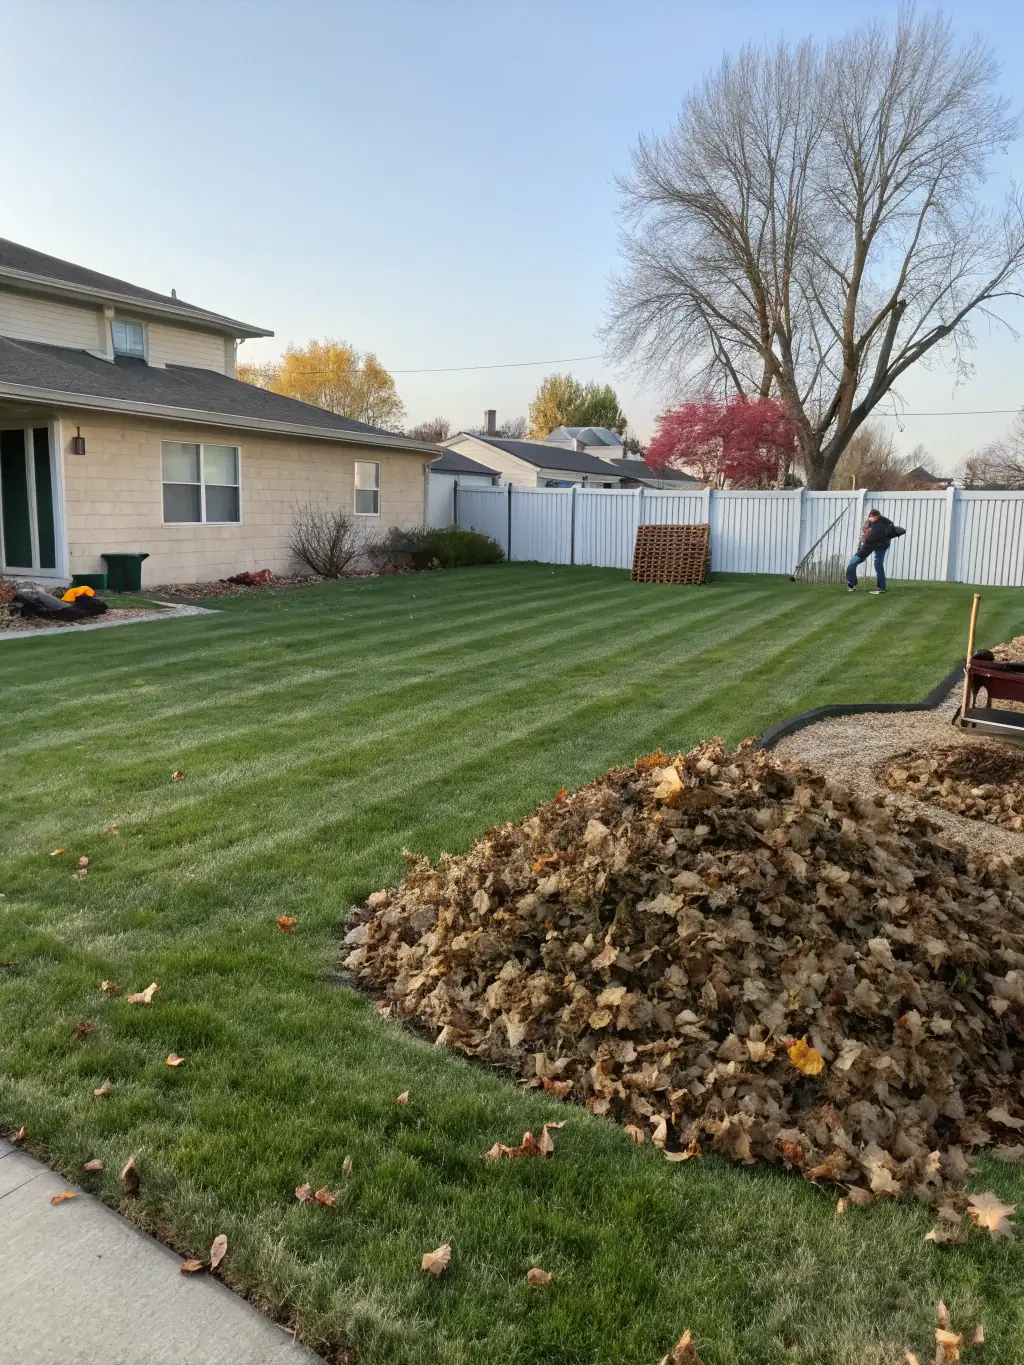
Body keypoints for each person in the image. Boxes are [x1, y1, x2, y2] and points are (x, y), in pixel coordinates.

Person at [846, 509, 905, 594]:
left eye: (873, 516)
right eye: (870, 516)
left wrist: (889, 536)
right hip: (869, 545)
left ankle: (881, 587)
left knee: (878, 563)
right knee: (853, 561)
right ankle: (851, 582)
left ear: (877, 516)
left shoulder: (885, 523)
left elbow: (898, 530)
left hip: (882, 545)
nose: (871, 518)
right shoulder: (868, 524)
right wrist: (861, 547)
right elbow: (864, 536)